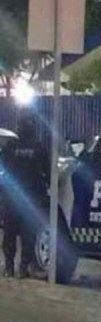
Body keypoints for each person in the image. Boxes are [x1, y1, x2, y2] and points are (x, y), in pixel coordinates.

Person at [1, 116, 48, 278]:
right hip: (31, 199)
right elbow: (49, 172)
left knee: (9, 234)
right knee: (28, 235)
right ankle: (23, 268)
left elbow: (3, 171)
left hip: (12, 198)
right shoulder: (40, 148)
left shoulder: (10, 147)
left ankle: (9, 268)